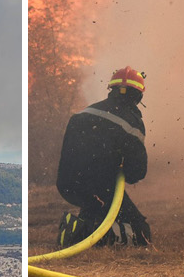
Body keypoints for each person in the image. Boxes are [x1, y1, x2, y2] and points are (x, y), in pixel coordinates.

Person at [55, 66, 153, 247]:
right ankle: (82, 236)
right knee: (141, 232)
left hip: (66, 183)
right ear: (138, 96)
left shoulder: (86, 112)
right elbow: (136, 173)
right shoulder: (132, 122)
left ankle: (79, 228)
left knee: (96, 210)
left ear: (112, 89)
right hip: (101, 187)